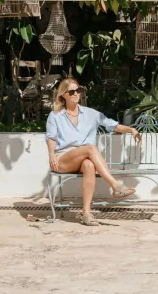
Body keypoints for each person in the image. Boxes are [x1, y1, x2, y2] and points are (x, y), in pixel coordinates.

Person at [46, 78, 142, 226]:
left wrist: (131, 129)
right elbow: (51, 137)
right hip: (62, 158)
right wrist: (51, 154)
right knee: (90, 148)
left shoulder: (91, 114)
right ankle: (115, 185)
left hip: (84, 157)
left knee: (89, 165)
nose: (76, 94)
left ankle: (86, 213)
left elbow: (113, 126)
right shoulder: (56, 115)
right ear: (63, 95)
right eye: (71, 92)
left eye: (78, 90)